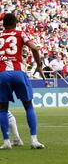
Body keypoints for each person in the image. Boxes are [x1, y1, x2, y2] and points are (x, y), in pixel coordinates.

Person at [0, 13, 45, 149]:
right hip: (18, 72)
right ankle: (34, 140)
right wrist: (39, 66)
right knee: (28, 106)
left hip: (2, 73)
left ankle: (7, 141)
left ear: (3, 24)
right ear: (15, 23)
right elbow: (33, 47)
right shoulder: (20, 33)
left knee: (2, 109)